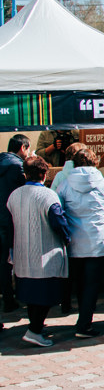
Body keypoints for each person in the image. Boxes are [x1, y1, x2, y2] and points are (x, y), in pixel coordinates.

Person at [57, 148, 104, 338]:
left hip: (74, 241)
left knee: (79, 282)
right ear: (94, 162)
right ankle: (84, 323)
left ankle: (80, 320)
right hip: (97, 241)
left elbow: (59, 210)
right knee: (92, 284)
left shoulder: (65, 184)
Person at [7, 156, 70, 347]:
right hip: (45, 254)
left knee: (30, 295)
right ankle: (34, 330)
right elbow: (59, 221)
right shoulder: (48, 196)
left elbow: (10, 223)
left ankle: (35, 327)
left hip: (22, 254)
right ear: (45, 174)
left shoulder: (14, 195)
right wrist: (67, 237)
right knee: (45, 295)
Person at [0, 134, 29, 312]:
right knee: (15, 259)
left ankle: (7, 297)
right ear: (23, 148)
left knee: (2, 262)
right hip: (11, 218)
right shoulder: (18, 166)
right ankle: (16, 296)